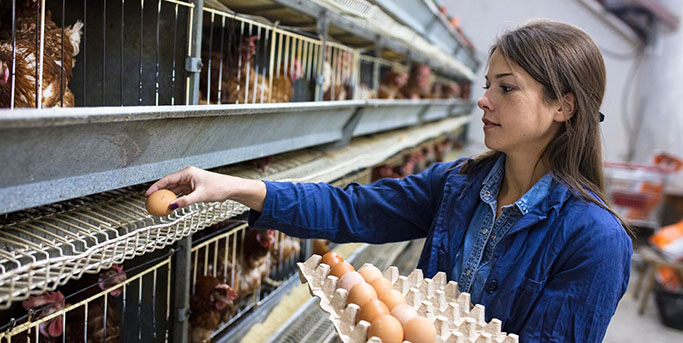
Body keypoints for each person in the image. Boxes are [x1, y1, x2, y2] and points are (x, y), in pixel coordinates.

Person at [147, 20, 632, 342]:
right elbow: (353, 209)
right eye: (487, 85)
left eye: (506, 88)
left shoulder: (595, 241)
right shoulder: (458, 185)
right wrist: (235, 187)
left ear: (564, 107)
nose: (483, 101)